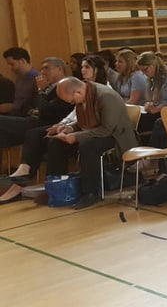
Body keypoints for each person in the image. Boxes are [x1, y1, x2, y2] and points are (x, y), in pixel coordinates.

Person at [46, 77, 138, 209]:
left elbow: (107, 129)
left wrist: (76, 136)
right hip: (96, 132)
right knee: (56, 144)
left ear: (77, 92)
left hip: (117, 136)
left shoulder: (106, 97)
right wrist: (70, 128)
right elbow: (87, 120)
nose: (72, 104)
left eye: (72, 101)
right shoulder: (84, 95)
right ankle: (57, 187)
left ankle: (90, 193)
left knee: (88, 147)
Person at [0, 57, 74, 200]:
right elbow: (38, 106)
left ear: (59, 69)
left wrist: (41, 90)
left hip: (46, 124)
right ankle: (17, 183)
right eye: (42, 68)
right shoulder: (50, 86)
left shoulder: (66, 86)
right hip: (36, 120)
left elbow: (49, 111)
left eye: (47, 68)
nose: (42, 72)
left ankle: (22, 175)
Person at [136, 52, 167, 133]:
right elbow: (156, 100)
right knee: (136, 119)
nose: (143, 73)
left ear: (153, 66)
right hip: (158, 111)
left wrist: (157, 109)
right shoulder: (152, 79)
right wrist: (150, 104)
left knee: (142, 122)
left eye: (145, 70)